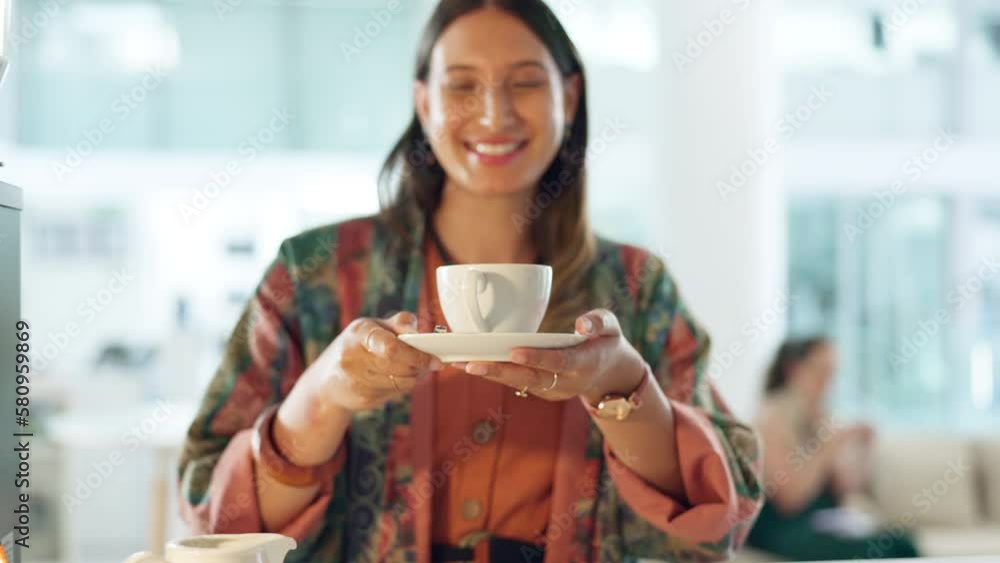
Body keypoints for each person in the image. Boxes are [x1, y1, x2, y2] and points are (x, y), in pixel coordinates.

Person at [177, 1, 764, 561]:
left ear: (571, 94)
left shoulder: (637, 287)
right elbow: (216, 524)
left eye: (526, 82)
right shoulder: (314, 274)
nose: (494, 114)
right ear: (424, 102)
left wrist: (625, 388)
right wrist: (322, 399)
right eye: (462, 85)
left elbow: (720, 525)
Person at [747, 337, 921, 560]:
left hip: (821, 523)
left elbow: (844, 490)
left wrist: (862, 448)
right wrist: (826, 447)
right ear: (793, 369)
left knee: (902, 543)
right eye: (820, 371)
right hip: (783, 529)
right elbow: (790, 500)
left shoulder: (821, 417)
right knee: (878, 550)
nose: (827, 382)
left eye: (831, 373)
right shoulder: (770, 418)